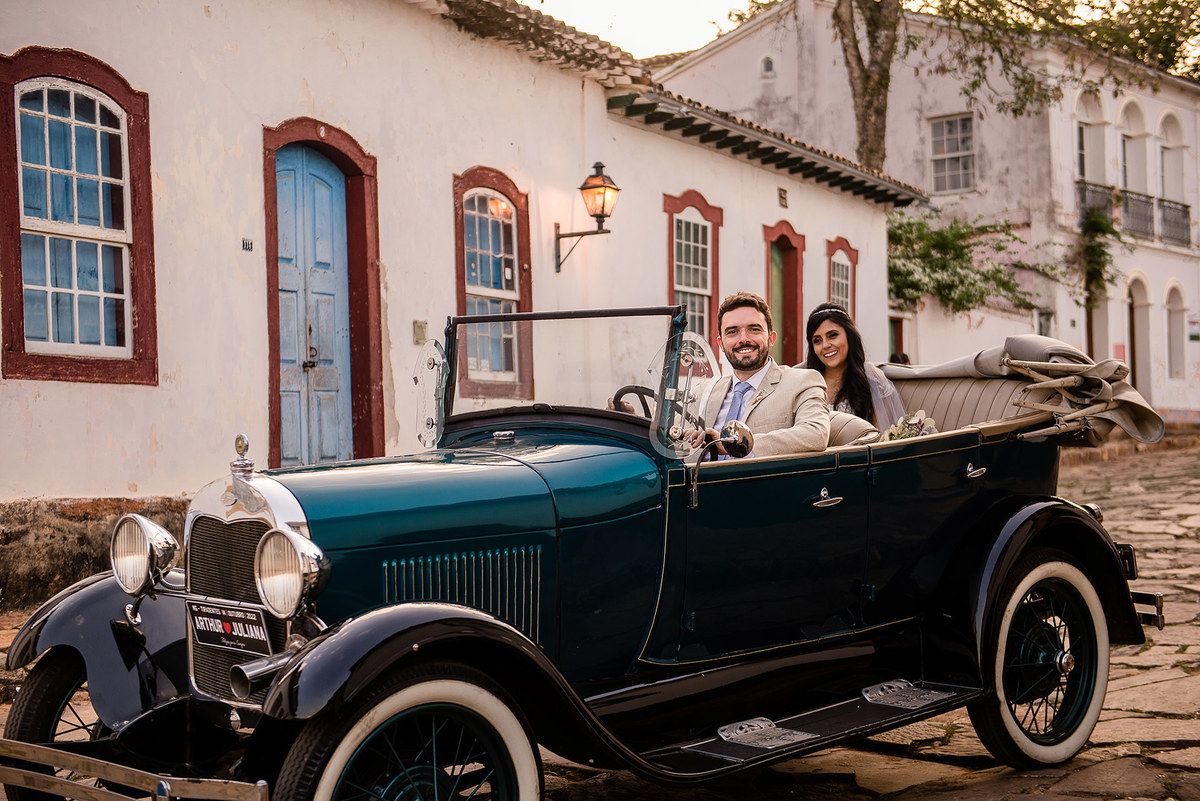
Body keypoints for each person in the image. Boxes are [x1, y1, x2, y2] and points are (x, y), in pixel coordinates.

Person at [698, 292, 830, 458]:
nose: (743, 339)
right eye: (732, 332)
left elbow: (816, 434)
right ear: (721, 344)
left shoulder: (803, 382)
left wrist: (739, 445)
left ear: (771, 338)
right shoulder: (705, 392)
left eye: (754, 329)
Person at [805, 302, 906, 429]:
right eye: (817, 340)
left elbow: (882, 437)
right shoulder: (806, 382)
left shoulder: (872, 382)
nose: (825, 345)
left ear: (849, 335)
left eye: (832, 335)